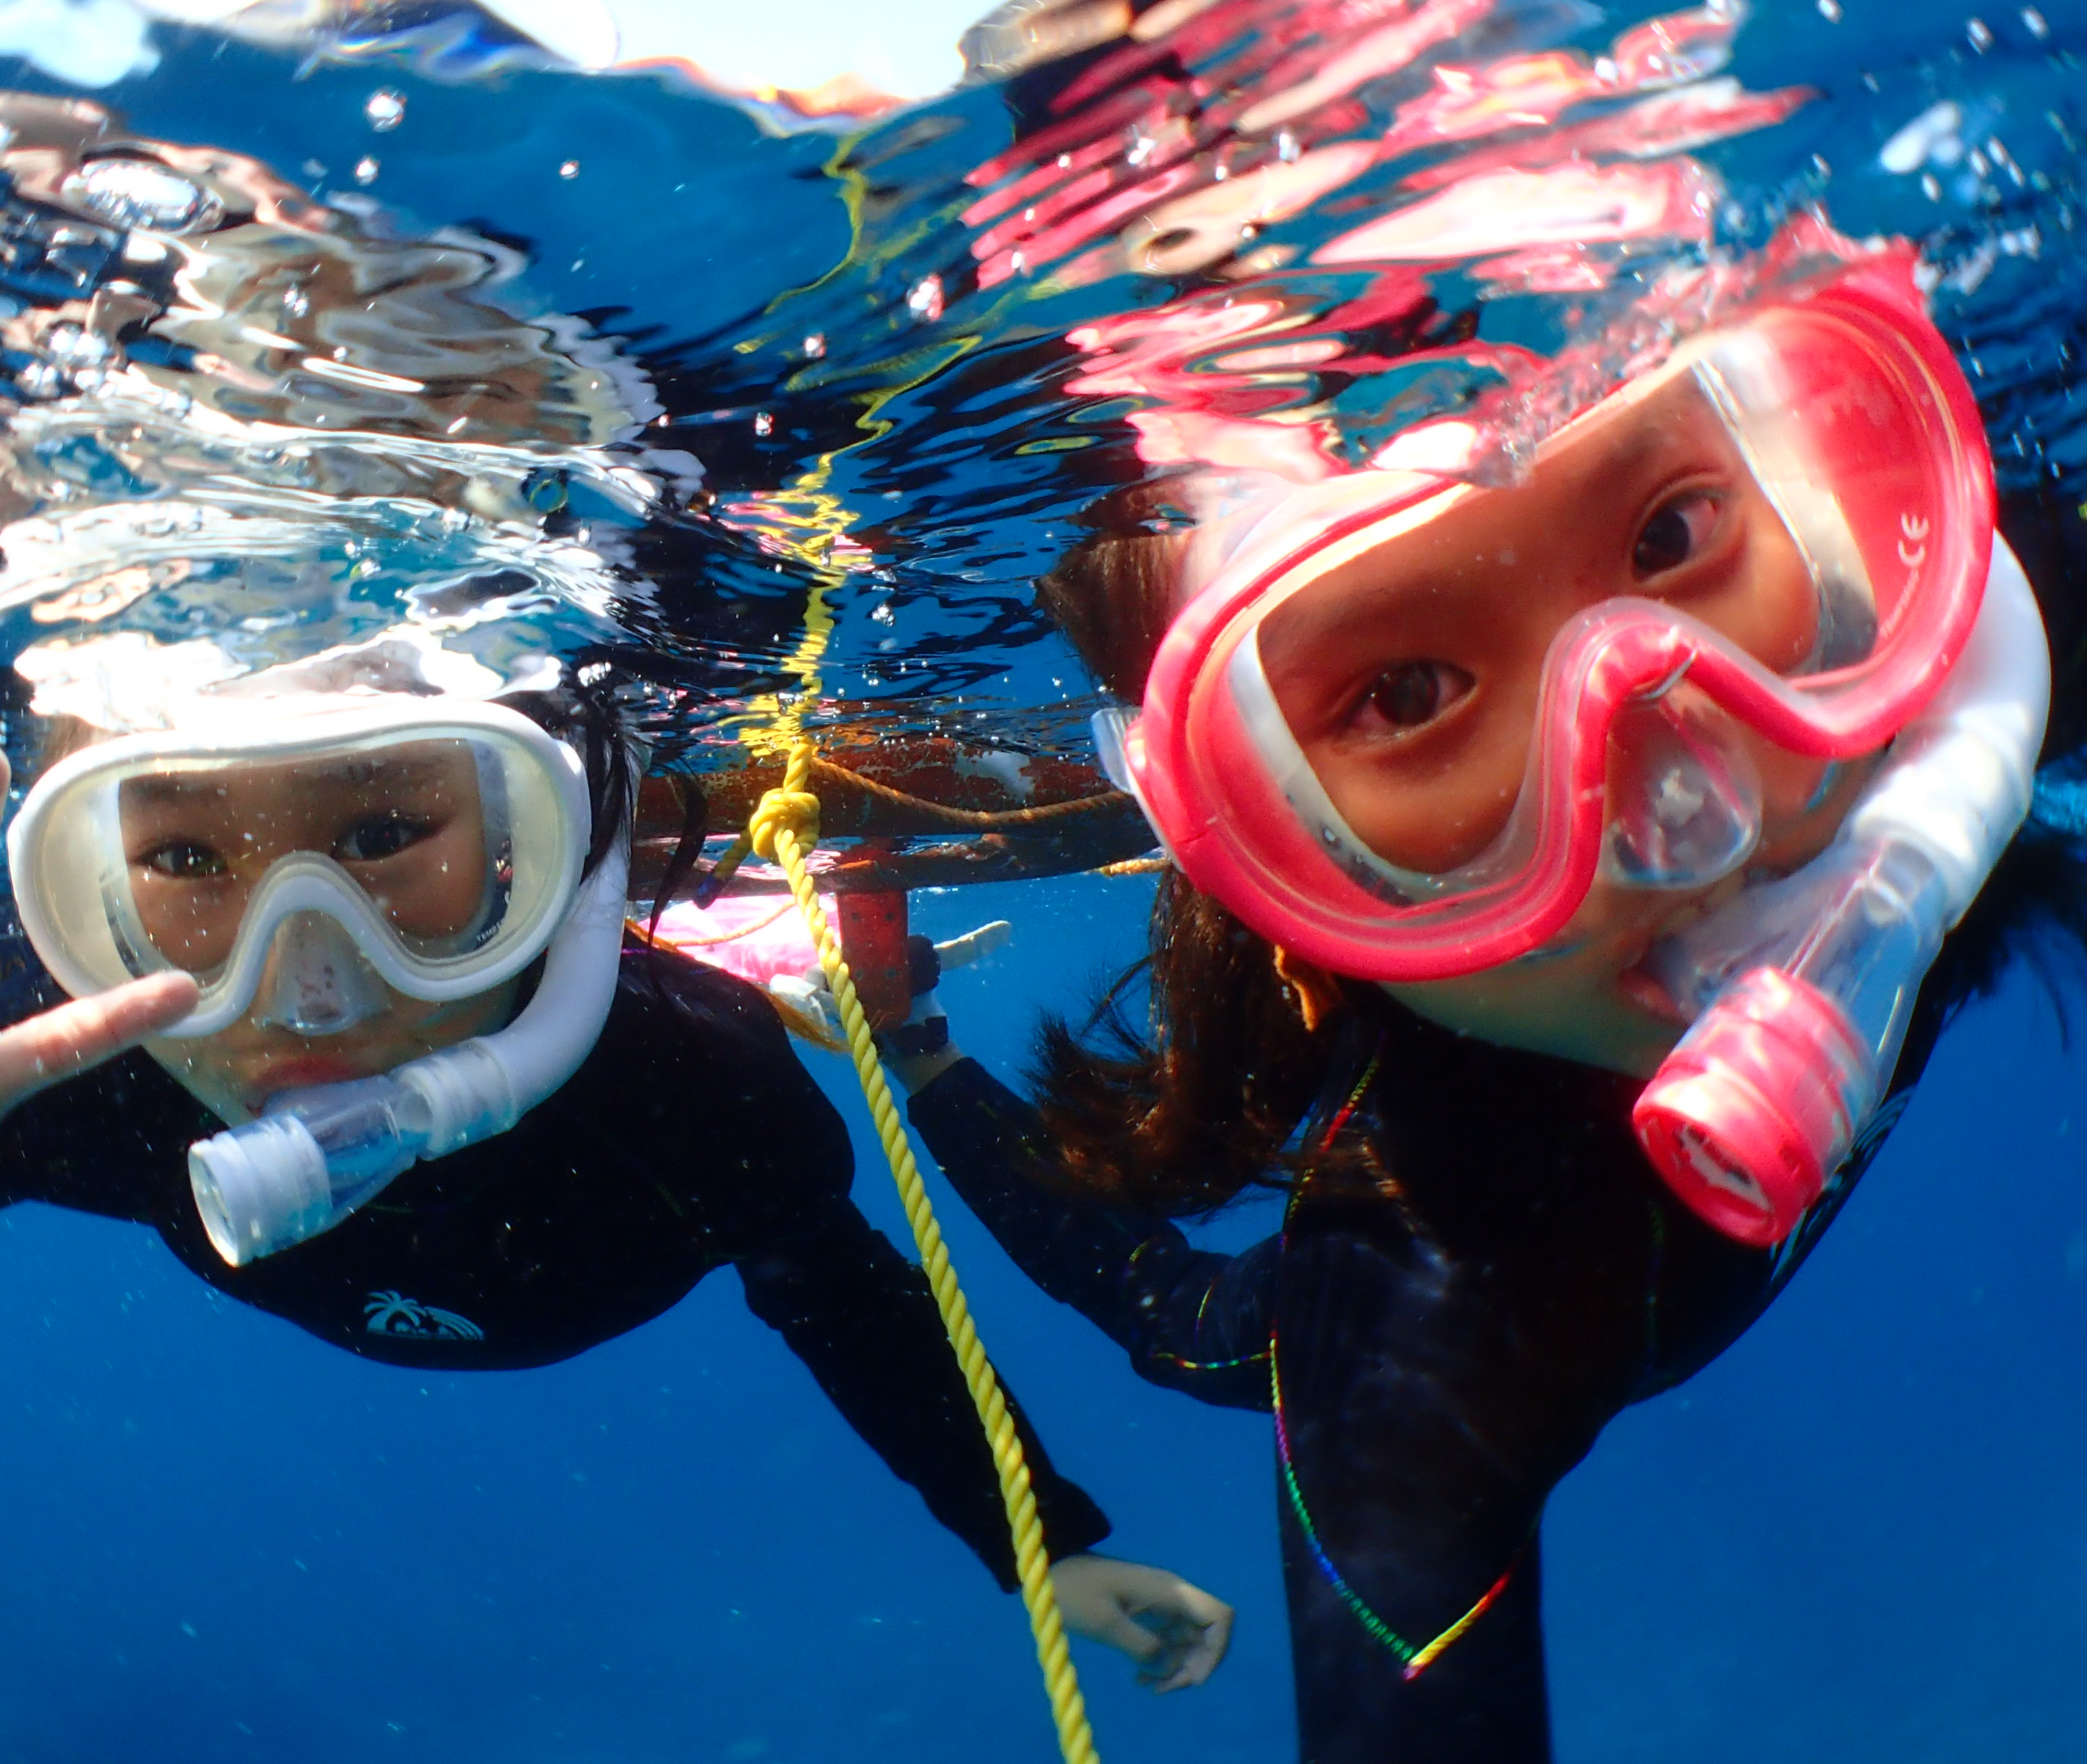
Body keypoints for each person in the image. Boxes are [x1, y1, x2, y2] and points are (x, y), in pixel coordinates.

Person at [885, 241, 2087, 1760]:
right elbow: (1167, 1311)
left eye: (1670, 532)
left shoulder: (1967, 627)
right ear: (1262, 859)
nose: (1677, 802)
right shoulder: (1415, 1314)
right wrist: (919, 1054)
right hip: (1463, 1271)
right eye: (1401, 693)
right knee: (1198, 1331)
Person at [0, 630, 1234, 1690]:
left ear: (530, 840)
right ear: (87, 902)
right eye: (186, 861)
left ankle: (749, 926)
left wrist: (1031, 1542)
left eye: (387, 831)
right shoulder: (73, 1078)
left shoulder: (693, 1088)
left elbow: (848, 1303)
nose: (304, 982)